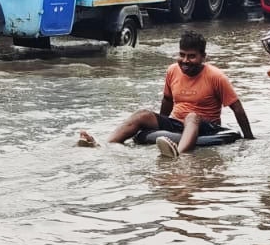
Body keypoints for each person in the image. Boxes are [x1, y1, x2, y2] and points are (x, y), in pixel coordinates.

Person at [78, 31, 254, 157]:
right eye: (182, 55)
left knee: (192, 116)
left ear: (203, 57)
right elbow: (167, 100)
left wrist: (249, 139)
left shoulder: (216, 76)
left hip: (205, 126)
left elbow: (237, 108)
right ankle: (104, 144)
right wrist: (159, 126)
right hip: (176, 122)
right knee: (143, 114)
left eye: (191, 56)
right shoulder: (172, 70)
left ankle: (180, 153)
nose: (185, 61)